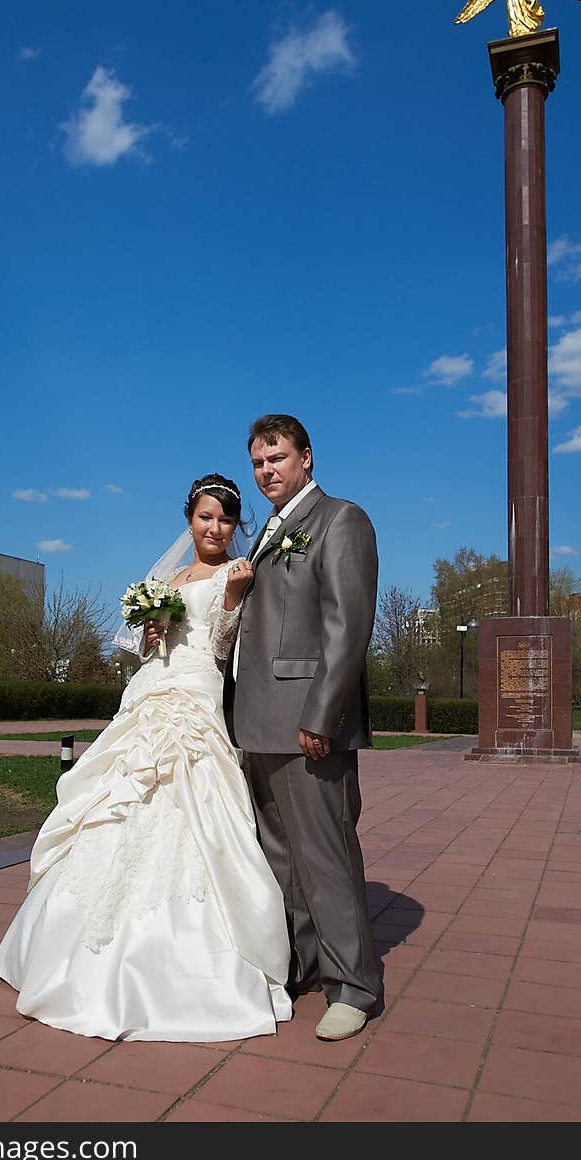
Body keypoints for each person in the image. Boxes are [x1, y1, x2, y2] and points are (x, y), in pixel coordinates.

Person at [0, 474, 292, 1043]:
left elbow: (226, 640)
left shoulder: (241, 571)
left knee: (192, 799)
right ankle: (71, 952)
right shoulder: (171, 577)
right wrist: (151, 629)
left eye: (226, 520)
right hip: (152, 688)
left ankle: (194, 967)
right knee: (119, 798)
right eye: (205, 518)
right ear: (189, 520)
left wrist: (231, 597)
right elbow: (147, 641)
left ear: (237, 525)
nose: (214, 528)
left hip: (198, 691)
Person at [223, 414, 381, 1041]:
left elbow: (348, 627)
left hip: (307, 725)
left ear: (307, 458)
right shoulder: (267, 531)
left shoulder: (342, 520)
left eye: (278, 458)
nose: (267, 471)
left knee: (326, 854)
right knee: (280, 860)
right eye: (259, 462)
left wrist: (323, 716)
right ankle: (303, 965)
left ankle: (355, 987)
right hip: (259, 721)